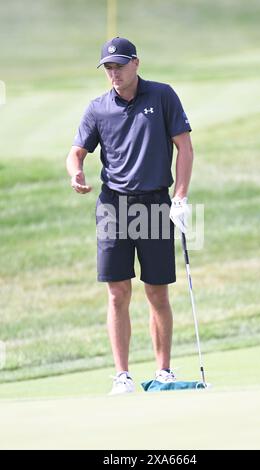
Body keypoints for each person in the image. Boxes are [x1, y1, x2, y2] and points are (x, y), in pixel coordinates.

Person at [66, 37, 193, 395]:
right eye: (108, 68)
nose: (114, 73)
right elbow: (76, 152)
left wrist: (180, 197)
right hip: (113, 206)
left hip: (154, 202)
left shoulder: (162, 96)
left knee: (156, 292)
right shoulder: (97, 108)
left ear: (136, 63)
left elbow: (184, 146)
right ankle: (122, 375)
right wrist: (75, 171)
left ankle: (163, 371)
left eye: (119, 65)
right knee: (117, 292)